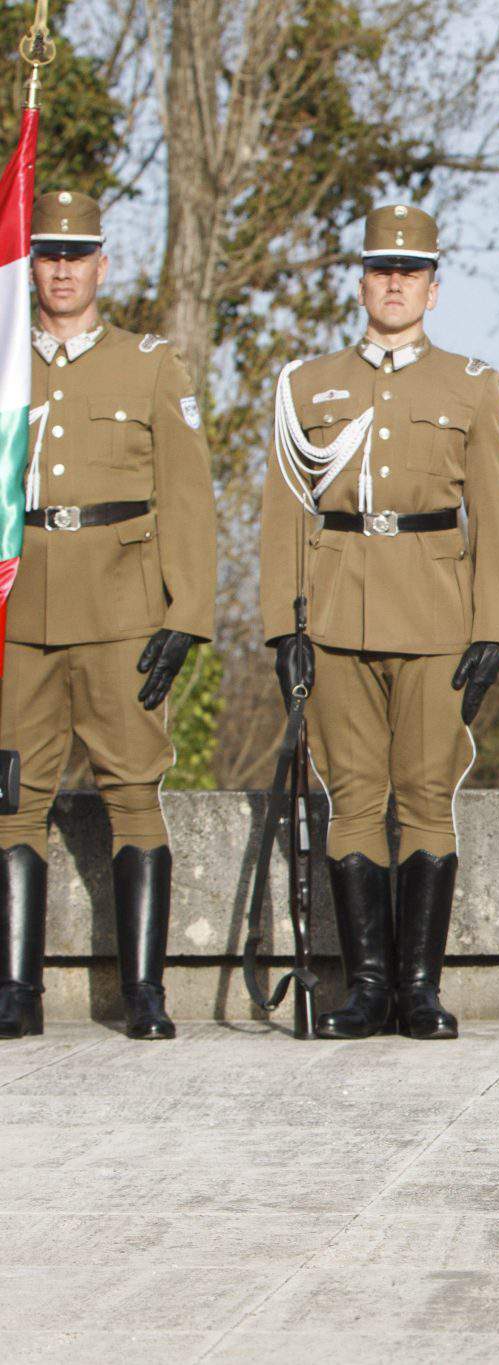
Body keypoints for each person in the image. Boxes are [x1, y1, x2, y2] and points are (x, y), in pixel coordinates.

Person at [259, 204, 499, 1041]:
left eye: (411, 271)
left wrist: (496, 626)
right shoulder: (306, 385)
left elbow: (496, 512)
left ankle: (419, 989)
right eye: (382, 269)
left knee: (429, 793)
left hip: (438, 614)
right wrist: (284, 626)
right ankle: (367, 988)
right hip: (335, 611)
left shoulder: (471, 385)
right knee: (353, 796)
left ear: (433, 288)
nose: (395, 283)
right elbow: (284, 513)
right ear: (362, 282)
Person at [0, 191, 218, 1041]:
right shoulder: (4, 360)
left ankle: (144, 990)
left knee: (133, 790)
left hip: (124, 608)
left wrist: (187, 613)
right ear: (32, 265)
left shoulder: (151, 366)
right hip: (19, 606)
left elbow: (187, 498)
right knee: (12, 794)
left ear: (103, 264)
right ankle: (16, 991)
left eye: (77, 255)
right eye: (49, 255)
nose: (62, 270)